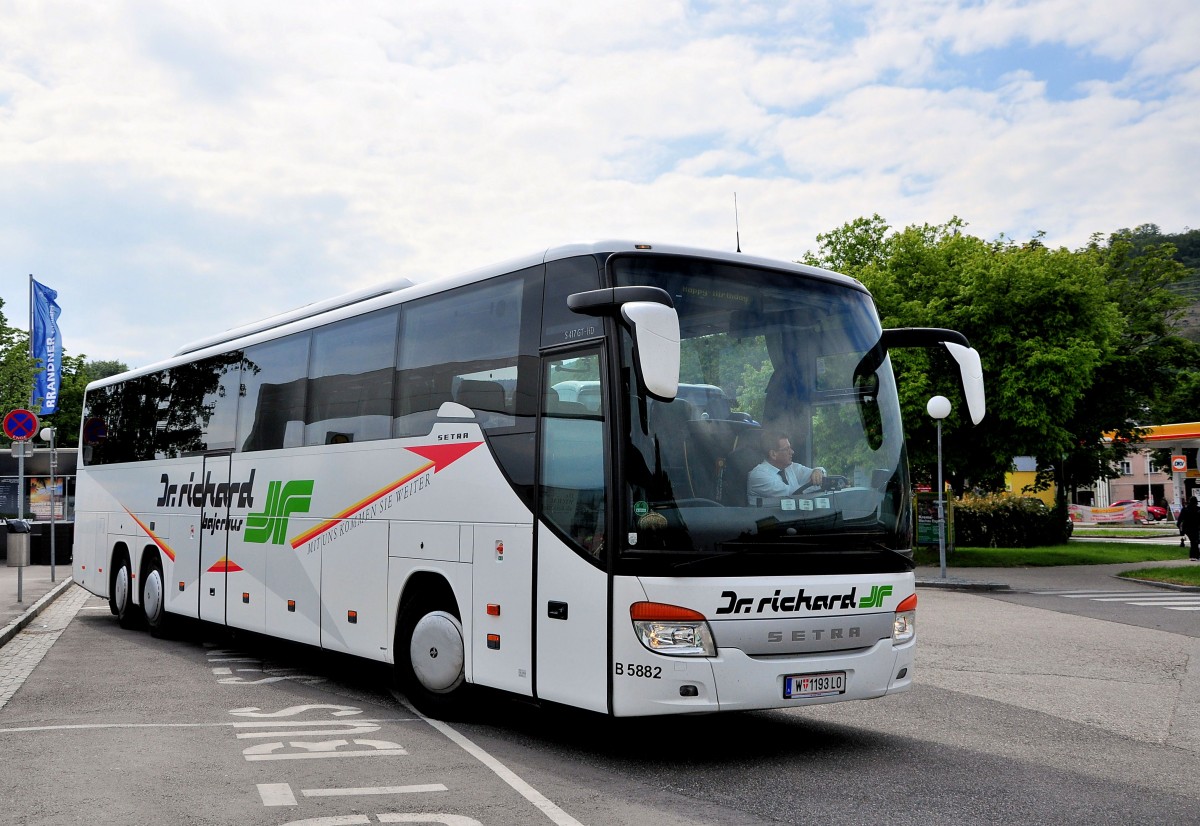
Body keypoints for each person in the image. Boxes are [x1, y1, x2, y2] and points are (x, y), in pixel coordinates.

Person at [746, 432, 826, 506]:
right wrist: (816, 482)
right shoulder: (758, 475)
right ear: (773, 454)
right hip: (769, 520)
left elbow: (821, 475)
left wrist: (817, 471)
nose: (792, 452)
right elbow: (793, 495)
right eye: (787, 449)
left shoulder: (790, 467)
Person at [1177, 496, 1200, 561]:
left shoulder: (1185, 509)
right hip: (1195, 527)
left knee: (1194, 541)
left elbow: (1180, 520)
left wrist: (1181, 530)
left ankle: (1196, 555)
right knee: (1194, 541)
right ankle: (1194, 555)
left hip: (1187, 528)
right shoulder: (1198, 509)